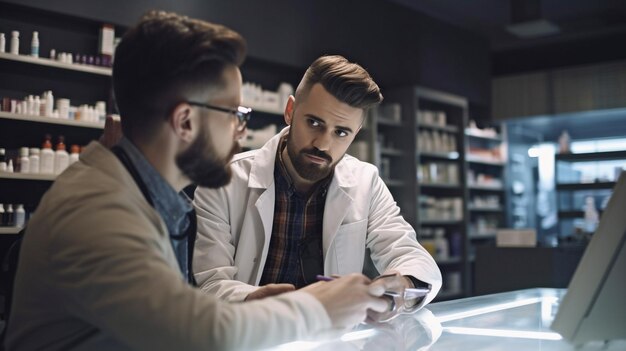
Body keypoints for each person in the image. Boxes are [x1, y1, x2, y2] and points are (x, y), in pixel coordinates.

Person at [4, 12, 390, 351]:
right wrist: (321, 307)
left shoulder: (135, 195)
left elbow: (168, 310)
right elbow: (194, 334)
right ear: (186, 121)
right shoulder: (98, 211)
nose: (240, 132)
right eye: (234, 113)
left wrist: (256, 305)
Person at [193, 55, 443, 322]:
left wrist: (399, 289)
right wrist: (258, 301)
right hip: (252, 331)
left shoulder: (365, 182)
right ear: (290, 111)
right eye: (314, 123)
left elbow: (410, 255)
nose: (323, 144)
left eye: (341, 133)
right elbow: (209, 282)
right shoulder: (223, 179)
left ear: (356, 133)